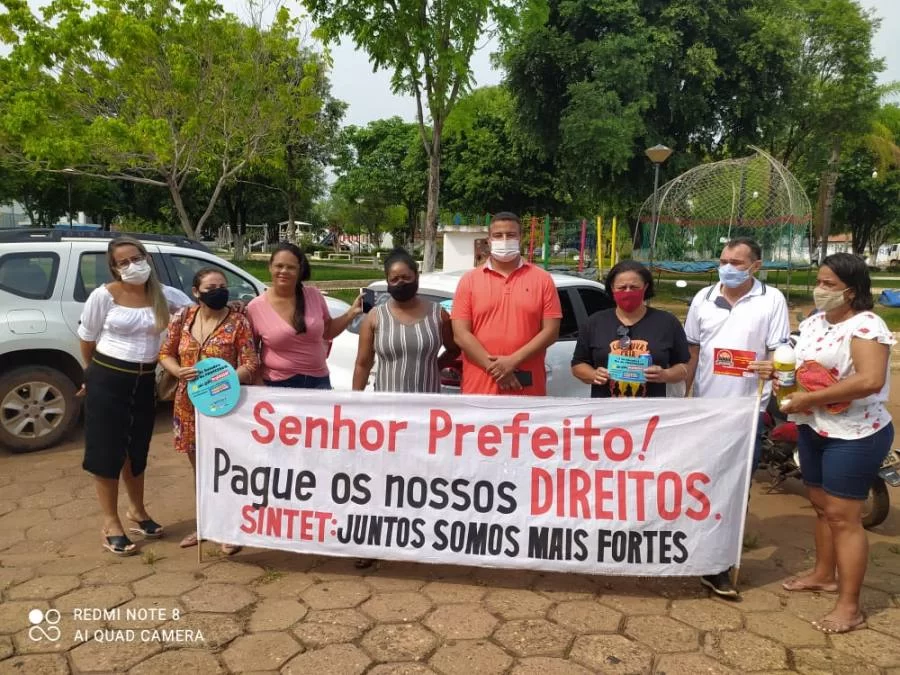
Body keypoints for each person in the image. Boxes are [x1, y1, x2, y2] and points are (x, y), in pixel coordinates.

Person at [778, 253, 893, 634]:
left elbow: (871, 380)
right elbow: (802, 368)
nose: (820, 289)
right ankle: (823, 574)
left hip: (856, 432)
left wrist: (809, 399)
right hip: (815, 427)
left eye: (829, 284)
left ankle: (850, 607)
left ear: (852, 289)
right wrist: (779, 375)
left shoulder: (866, 326)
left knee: (844, 517)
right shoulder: (812, 323)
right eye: (820, 281)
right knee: (821, 506)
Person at [684, 236, 789, 597]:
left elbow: (780, 352)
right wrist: (684, 395)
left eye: (738, 263)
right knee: (698, 482)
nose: (728, 267)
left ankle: (721, 564)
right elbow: (693, 351)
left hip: (747, 410)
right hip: (704, 408)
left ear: (756, 266)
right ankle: (692, 548)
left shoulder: (771, 300)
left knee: (735, 487)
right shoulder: (703, 298)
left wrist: (772, 365)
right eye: (724, 259)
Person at [78, 236, 193, 555]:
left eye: (136, 258)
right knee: (106, 450)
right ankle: (110, 522)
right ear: (114, 268)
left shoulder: (167, 296)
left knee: (136, 449)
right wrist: (92, 377)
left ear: (147, 258)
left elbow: (199, 316)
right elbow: (87, 339)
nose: (132, 266)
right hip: (108, 377)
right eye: (123, 262)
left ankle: (137, 511)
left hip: (144, 381)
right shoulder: (104, 296)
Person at [159, 268, 259, 555]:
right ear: (196, 292)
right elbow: (165, 352)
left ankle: (232, 527)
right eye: (211, 286)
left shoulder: (238, 322)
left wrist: (223, 381)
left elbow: (251, 363)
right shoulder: (183, 318)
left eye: (222, 286)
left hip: (225, 406)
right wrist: (178, 371)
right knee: (200, 469)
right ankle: (206, 524)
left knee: (229, 468)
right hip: (189, 405)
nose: (218, 291)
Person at [451, 212, 562, 395]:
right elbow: (461, 334)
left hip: (527, 388)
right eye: (498, 235)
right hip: (479, 389)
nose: (504, 240)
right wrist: (496, 369)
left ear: (520, 238)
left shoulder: (542, 280)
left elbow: (550, 332)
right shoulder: (469, 280)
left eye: (510, 235)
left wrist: (512, 362)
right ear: (489, 240)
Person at [247, 242, 362, 389]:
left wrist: (351, 313)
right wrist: (259, 384)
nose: (284, 271)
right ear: (270, 267)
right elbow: (250, 352)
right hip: (276, 384)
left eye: (291, 267)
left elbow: (328, 331)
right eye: (279, 266)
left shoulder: (314, 295)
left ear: (299, 270)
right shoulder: (256, 307)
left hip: (318, 382)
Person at [571, 260, 690, 397]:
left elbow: (684, 366)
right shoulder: (594, 322)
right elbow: (577, 365)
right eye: (622, 287)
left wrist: (665, 375)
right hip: (606, 410)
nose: (627, 292)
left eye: (634, 287)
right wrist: (593, 374)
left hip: (651, 411)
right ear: (612, 288)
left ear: (645, 287)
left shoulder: (667, 322)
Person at [353, 248, 459, 393]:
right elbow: (363, 364)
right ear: (388, 282)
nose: (400, 283)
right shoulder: (375, 317)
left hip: (427, 404)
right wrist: (354, 400)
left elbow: (454, 349)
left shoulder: (438, 314)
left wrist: (435, 366)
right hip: (387, 406)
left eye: (406, 277)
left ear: (416, 277)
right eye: (394, 279)